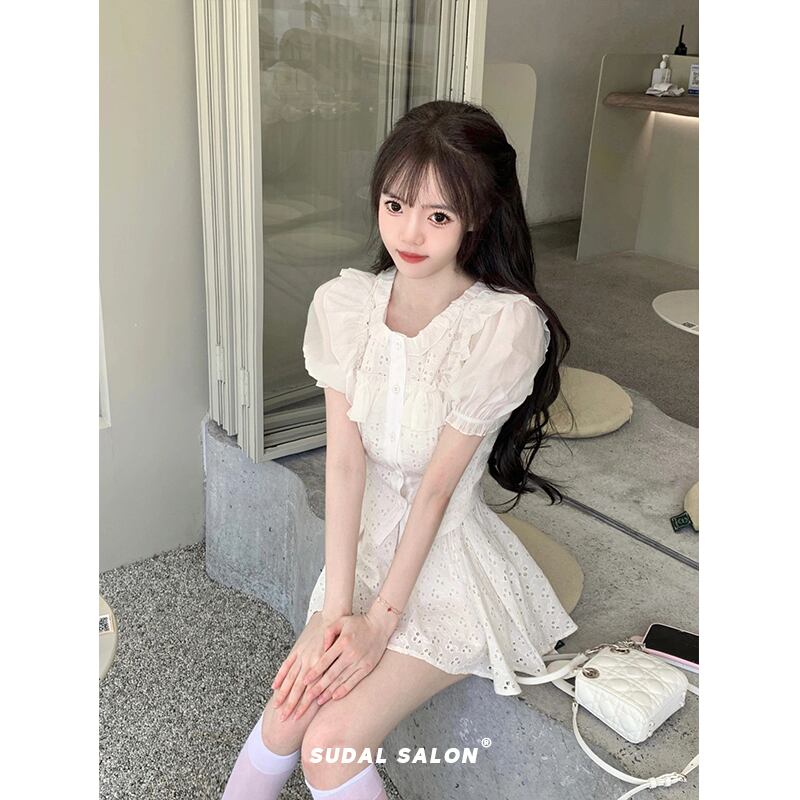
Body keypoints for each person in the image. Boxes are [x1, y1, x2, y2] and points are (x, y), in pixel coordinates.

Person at [221, 99, 578, 800]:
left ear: (477, 217)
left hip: (442, 558)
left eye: (439, 216)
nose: (409, 233)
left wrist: (379, 624)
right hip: (363, 547)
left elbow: (438, 491)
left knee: (328, 746)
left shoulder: (501, 326)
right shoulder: (347, 306)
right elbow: (346, 463)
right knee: (288, 714)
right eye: (395, 205)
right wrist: (335, 612)